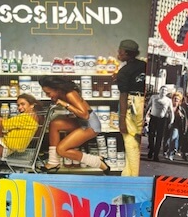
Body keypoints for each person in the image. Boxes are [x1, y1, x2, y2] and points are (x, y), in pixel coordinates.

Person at [38, 76, 110, 174]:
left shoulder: (70, 94)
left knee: (61, 150)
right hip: (81, 122)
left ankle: (98, 162)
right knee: (54, 124)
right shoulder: (62, 94)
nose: (47, 96)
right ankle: (53, 162)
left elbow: (85, 115)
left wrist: (65, 104)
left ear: (57, 89)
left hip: (90, 125)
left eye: (48, 93)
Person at [116, 39, 146, 176]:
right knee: (138, 140)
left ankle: (134, 176)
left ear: (127, 53)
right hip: (143, 103)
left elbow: (123, 95)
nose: (118, 52)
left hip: (133, 104)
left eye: (120, 51)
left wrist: (122, 119)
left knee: (130, 141)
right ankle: (127, 175)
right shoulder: (143, 65)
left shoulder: (124, 71)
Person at [0, 94, 39, 158]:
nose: (19, 107)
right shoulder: (31, 117)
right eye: (18, 105)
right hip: (1, 146)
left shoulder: (26, 118)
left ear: (32, 105)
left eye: (23, 104)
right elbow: (4, 121)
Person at [145, 86, 173, 162]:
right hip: (153, 118)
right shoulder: (154, 97)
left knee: (159, 138)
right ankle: (151, 148)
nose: (164, 91)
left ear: (167, 92)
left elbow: (171, 111)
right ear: (159, 90)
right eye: (162, 89)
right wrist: (144, 116)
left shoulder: (168, 100)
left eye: (165, 90)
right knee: (151, 135)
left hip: (162, 120)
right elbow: (148, 107)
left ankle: (156, 155)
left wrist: (171, 121)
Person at [164, 91, 187, 160]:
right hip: (167, 125)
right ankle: (165, 151)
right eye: (175, 99)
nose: (176, 100)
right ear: (172, 99)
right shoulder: (168, 107)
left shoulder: (181, 109)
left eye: (178, 99)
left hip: (176, 126)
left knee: (173, 138)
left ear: (179, 101)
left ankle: (171, 154)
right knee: (166, 140)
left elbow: (184, 119)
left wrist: (181, 116)